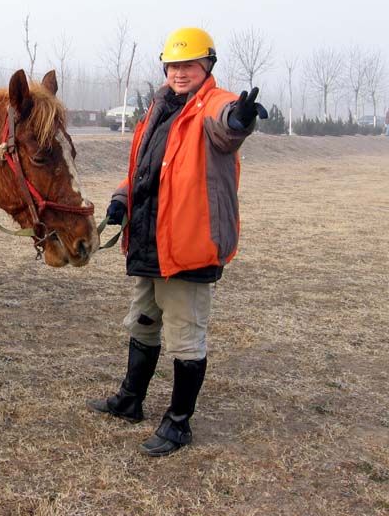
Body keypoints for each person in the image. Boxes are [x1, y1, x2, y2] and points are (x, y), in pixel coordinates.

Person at [87, 27, 263, 457]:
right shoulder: (158, 109)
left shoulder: (212, 106)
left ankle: (179, 423)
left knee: (186, 337)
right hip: (150, 241)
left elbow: (228, 126)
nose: (180, 73)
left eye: (189, 65)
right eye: (174, 65)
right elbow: (146, 168)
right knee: (143, 322)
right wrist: (121, 199)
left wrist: (241, 118)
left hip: (187, 245)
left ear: (208, 67)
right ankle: (131, 400)